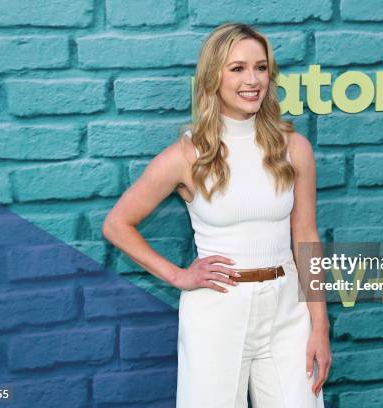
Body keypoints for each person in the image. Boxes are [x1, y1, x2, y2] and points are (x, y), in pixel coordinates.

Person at [102, 22, 331, 407]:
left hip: (288, 311)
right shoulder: (186, 156)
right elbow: (116, 224)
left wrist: (320, 327)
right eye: (237, 68)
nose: (252, 80)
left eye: (260, 67)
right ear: (213, 77)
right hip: (217, 312)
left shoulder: (294, 148)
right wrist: (178, 275)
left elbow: (306, 236)